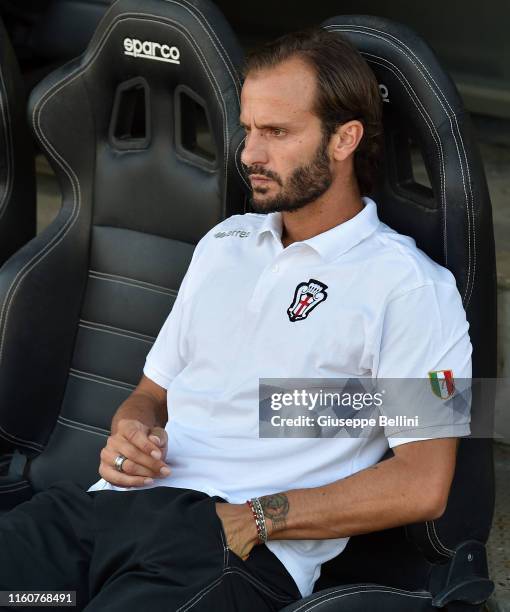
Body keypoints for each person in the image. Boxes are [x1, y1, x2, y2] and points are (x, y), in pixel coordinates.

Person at [0, 28, 471, 612]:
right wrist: (130, 432)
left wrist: (255, 519)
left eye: (276, 132)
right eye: (248, 129)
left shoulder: (411, 288)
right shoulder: (225, 243)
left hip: (227, 545)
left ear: (345, 138)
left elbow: (423, 482)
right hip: (101, 513)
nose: (249, 153)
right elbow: (151, 393)